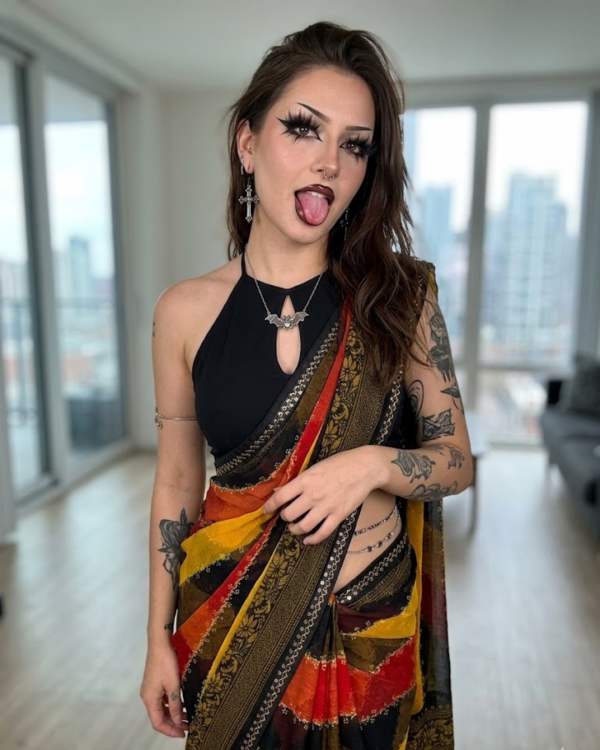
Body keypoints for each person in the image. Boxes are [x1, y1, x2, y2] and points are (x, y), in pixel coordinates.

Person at [140, 20, 473, 750]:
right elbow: (176, 482)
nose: (329, 162)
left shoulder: (402, 298)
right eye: (303, 129)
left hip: (370, 630)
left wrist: (370, 465)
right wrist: (156, 637)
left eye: (355, 145)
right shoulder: (184, 311)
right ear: (248, 144)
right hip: (227, 623)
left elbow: (455, 462)